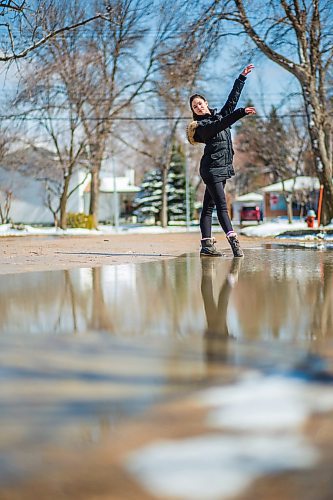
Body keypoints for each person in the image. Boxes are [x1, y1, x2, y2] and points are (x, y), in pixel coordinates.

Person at [186, 64, 256, 257]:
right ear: (194, 111)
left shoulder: (218, 116)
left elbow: (231, 101)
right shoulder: (201, 127)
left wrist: (241, 78)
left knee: (208, 208)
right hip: (211, 170)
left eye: (200, 103)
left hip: (222, 167)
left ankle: (206, 245)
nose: (198, 107)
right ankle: (234, 243)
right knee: (222, 206)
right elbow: (222, 123)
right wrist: (240, 113)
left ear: (206, 103)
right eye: (194, 107)